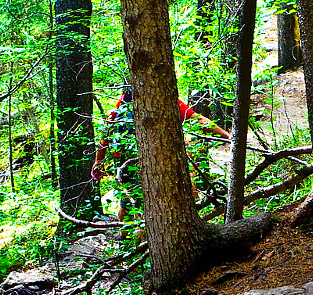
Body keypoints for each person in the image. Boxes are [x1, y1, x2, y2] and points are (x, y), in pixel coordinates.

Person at [90, 83, 231, 220]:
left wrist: (99, 161)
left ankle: (126, 239)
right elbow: (199, 120)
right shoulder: (166, 100)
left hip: (126, 159)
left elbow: (106, 132)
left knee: (128, 201)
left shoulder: (125, 100)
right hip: (155, 158)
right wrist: (227, 136)